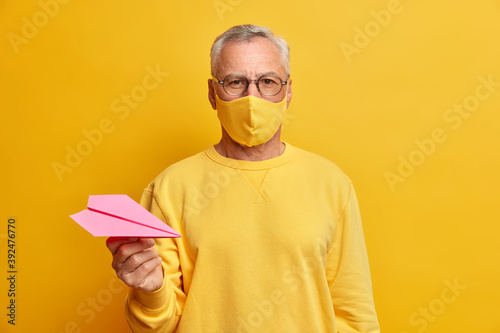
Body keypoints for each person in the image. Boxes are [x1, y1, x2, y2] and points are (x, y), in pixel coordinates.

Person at [106, 24, 380, 333]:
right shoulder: (169, 189)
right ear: (212, 93)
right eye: (235, 82)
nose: (252, 97)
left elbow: (355, 316)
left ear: (288, 91)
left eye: (268, 82)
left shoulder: (332, 184)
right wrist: (149, 290)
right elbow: (156, 326)